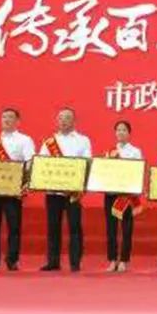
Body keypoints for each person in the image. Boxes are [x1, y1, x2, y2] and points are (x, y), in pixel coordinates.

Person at [0, 108, 35, 272]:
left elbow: (30, 162)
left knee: (13, 226)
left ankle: (12, 259)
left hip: (12, 190)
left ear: (18, 121)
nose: (7, 120)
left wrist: (24, 182)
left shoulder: (25, 140)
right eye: (4, 117)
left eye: (10, 117)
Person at [38, 108, 92, 272]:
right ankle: (53, 261)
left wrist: (80, 185)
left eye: (67, 118)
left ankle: (75, 262)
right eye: (61, 118)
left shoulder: (83, 140)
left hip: (73, 192)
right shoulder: (49, 142)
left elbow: (87, 162)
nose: (63, 121)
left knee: (75, 227)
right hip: (53, 191)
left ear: (74, 121)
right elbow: (42, 163)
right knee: (53, 227)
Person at [104, 120, 142, 272]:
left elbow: (137, 171)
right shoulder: (110, 152)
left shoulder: (135, 152)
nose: (121, 132)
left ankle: (124, 260)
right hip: (111, 193)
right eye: (118, 130)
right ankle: (112, 259)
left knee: (127, 228)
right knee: (111, 228)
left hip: (126, 195)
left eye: (124, 130)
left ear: (129, 133)